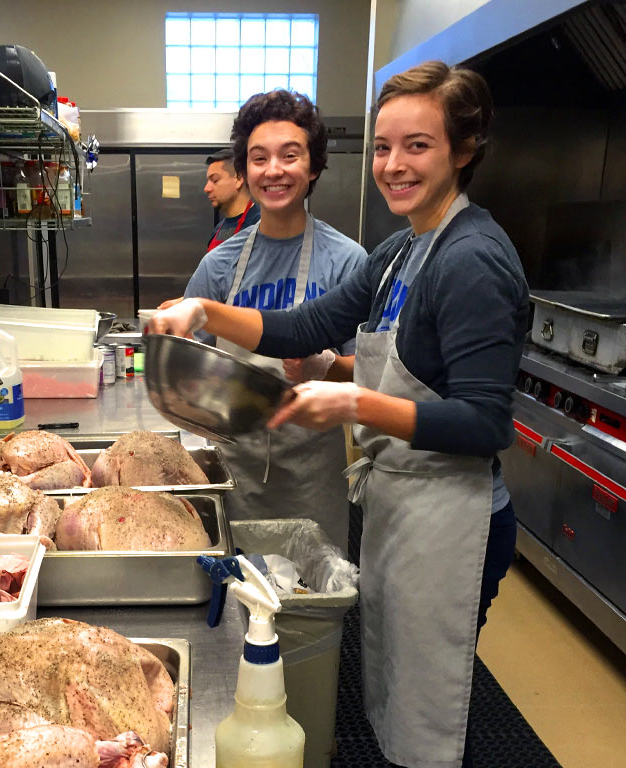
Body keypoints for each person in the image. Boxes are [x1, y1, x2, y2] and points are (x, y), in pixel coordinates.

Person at [151, 61, 529, 768]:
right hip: (401, 502)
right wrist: (203, 310)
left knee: (429, 713)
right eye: (384, 147)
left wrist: (352, 399)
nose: (394, 165)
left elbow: (483, 422)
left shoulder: (473, 258)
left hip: (455, 515)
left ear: (464, 149)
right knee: (391, 698)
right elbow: (304, 325)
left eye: (418, 145)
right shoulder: (403, 249)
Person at [182, 89, 367, 551]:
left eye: (291, 155)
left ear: (315, 167)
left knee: (313, 605)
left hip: (312, 473)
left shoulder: (348, 262)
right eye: (259, 158)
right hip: (235, 469)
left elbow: (370, 373)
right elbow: (191, 368)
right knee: (236, 605)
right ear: (244, 172)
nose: (275, 170)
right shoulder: (219, 266)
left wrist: (323, 368)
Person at [204, 147, 260, 251]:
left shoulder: (260, 224)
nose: (206, 188)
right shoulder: (219, 228)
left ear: (238, 179)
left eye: (215, 180)